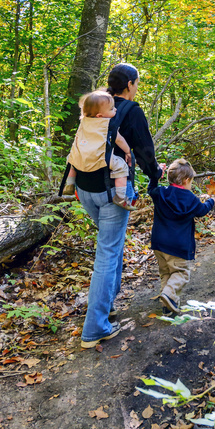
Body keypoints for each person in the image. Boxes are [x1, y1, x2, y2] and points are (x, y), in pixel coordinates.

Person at [76, 62, 164, 348]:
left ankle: (107, 306)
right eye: (136, 83)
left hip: (85, 187)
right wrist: (156, 174)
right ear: (129, 84)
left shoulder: (96, 105)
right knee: (108, 252)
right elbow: (144, 150)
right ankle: (95, 328)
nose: (137, 87)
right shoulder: (130, 110)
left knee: (110, 247)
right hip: (112, 188)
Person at [148, 157, 214, 313]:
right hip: (178, 245)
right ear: (185, 180)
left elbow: (151, 189)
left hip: (159, 243)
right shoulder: (190, 198)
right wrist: (211, 201)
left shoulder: (161, 193)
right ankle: (169, 294)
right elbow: (202, 210)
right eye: (191, 181)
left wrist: (155, 177)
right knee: (181, 273)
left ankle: (168, 306)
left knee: (166, 272)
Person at [64, 90, 134, 209]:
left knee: (71, 159)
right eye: (112, 109)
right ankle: (120, 196)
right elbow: (119, 140)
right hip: (98, 157)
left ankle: (69, 184)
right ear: (100, 116)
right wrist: (128, 151)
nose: (115, 110)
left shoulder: (83, 121)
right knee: (121, 166)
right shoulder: (107, 124)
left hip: (81, 155)